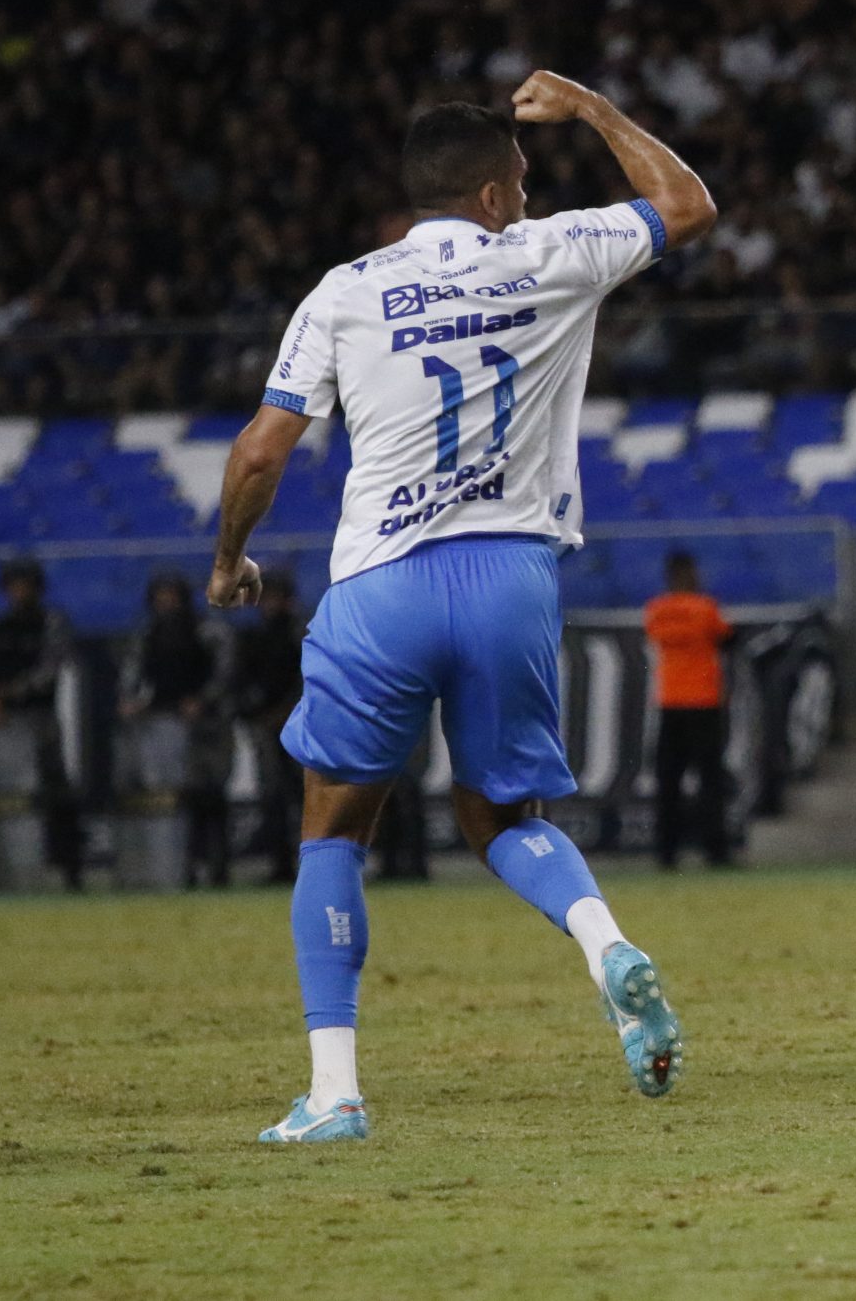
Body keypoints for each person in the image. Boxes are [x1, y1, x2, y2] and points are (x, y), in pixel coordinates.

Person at [206, 71, 717, 1143]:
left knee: (332, 828)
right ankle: (605, 945)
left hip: (382, 587)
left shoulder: (344, 289)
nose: (528, 199)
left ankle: (336, 1094)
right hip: (509, 579)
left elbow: (261, 450)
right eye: (523, 183)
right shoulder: (554, 254)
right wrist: (593, 111)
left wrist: (229, 563)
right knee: (502, 820)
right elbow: (686, 205)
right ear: (491, 196)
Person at [120, 571, 235, 887]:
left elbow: (224, 674)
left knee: (211, 797)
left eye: (171, 597)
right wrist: (134, 702)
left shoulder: (208, 631)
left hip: (208, 727)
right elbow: (132, 676)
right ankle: (182, 869)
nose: (166, 604)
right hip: (166, 725)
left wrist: (202, 701)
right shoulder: (148, 635)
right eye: (160, 598)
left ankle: (218, 868)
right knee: (175, 801)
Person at [0, 560, 82, 890]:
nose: (18, 593)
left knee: (55, 791)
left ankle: (70, 870)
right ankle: (7, 872)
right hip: (5, 722)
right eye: (13, 586)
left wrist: (5, 694)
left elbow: (48, 671)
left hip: (39, 718)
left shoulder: (51, 621)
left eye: (24, 585)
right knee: (7, 796)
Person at [643, 550, 735, 868]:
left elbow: (654, 637)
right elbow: (725, 637)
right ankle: (716, 851)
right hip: (704, 702)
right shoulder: (705, 608)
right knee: (710, 781)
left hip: (670, 703)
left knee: (668, 781)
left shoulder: (656, 610)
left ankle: (666, 853)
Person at [235, 575, 309, 884]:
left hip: (301, 725)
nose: (269, 605)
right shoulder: (254, 637)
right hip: (267, 726)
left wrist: (287, 711)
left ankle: (311, 863)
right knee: (274, 796)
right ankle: (281, 863)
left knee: (303, 796)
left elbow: (308, 678)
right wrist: (257, 713)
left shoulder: (300, 635)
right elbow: (243, 680)